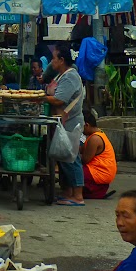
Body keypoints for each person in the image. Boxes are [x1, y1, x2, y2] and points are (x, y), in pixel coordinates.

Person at [46, 43, 86, 207]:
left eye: (54, 58)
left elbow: (59, 99)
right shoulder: (61, 75)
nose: (51, 61)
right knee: (64, 157)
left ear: (61, 60)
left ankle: (78, 196)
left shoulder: (70, 76)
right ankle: (68, 192)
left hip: (71, 123)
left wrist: (40, 97)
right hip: (62, 122)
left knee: (71, 157)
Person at [81, 108, 116, 199]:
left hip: (100, 172)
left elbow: (85, 159)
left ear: (87, 125)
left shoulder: (95, 138)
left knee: (74, 169)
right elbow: (82, 149)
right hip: (102, 171)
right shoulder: (97, 134)